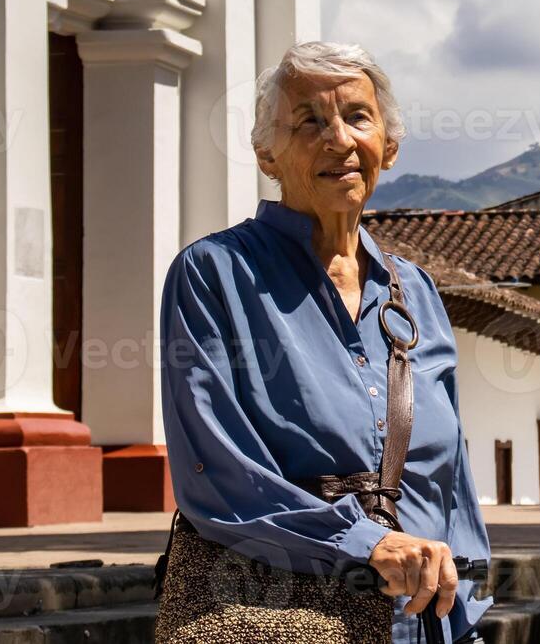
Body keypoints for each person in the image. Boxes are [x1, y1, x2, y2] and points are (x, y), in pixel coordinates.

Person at [156, 42, 491, 642]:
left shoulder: (413, 291)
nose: (339, 139)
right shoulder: (214, 274)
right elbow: (214, 468)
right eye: (309, 121)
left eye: (358, 117)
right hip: (283, 616)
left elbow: (450, 478)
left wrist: (464, 606)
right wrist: (367, 543)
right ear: (267, 154)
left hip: (424, 626)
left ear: (387, 144)